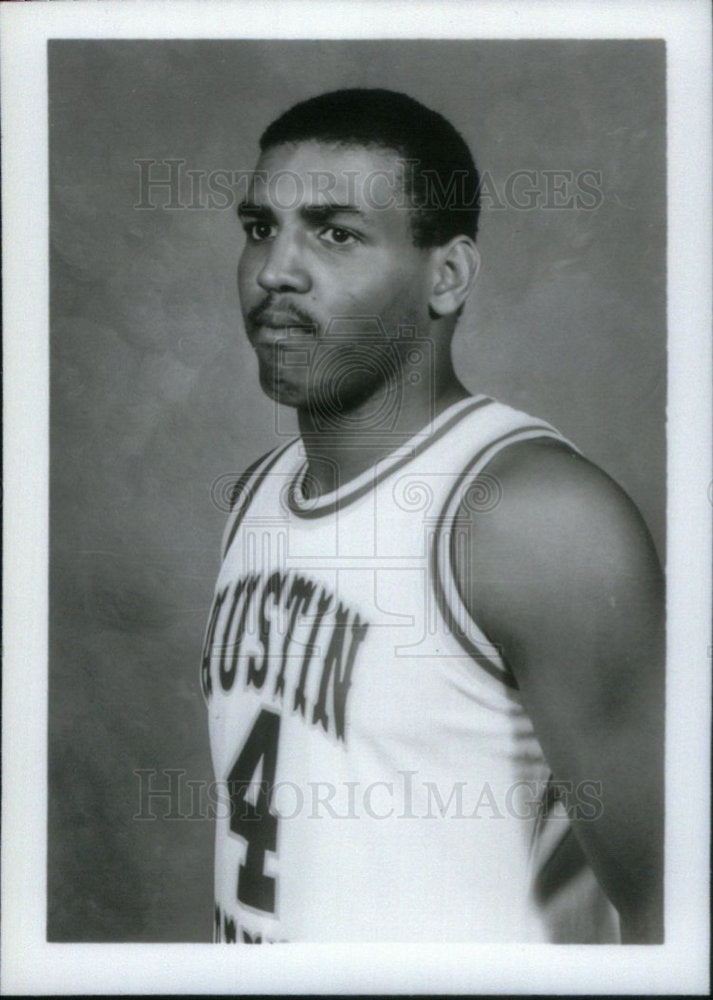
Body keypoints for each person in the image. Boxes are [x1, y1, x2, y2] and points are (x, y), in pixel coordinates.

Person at [201, 88, 664, 944]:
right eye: (262, 227)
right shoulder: (256, 495)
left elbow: (675, 909)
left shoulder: (532, 520)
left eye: (335, 233)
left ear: (446, 276)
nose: (274, 270)